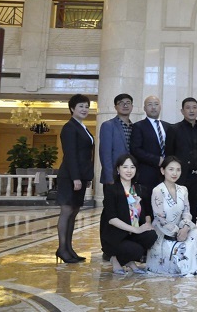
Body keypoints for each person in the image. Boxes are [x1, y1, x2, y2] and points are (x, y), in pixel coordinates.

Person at [146, 156, 197, 275]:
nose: (175, 173)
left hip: (182, 230)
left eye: (178, 170)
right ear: (163, 171)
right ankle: (185, 268)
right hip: (164, 232)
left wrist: (185, 228)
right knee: (185, 244)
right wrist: (178, 232)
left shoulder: (183, 190)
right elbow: (160, 218)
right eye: (171, 169)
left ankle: (189, 269)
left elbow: (187, 213)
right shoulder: (158, 190)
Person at [100, 154, 157, 274]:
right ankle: (115, 258)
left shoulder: (140, 189)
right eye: (125, 167)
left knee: (151, 235)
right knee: (136, 250)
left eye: (132, 167)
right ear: (118, 169)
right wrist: (135, 230)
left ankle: (128, 260)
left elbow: (147, 211)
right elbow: (111, 219)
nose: (129, 170)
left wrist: (147, 224)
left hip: (133, 232)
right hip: (115, 234)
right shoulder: (111, 189)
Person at [55, 94, 94, 264]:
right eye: (81, 106)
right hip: (70, 176)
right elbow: (70, 154)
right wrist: (76, 178)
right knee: (67, 211)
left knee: (74, 212)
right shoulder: (69, 127)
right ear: (72, 108)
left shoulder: (82, 127)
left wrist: (86, 177)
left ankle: (69, 249)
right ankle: (62, 249)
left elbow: (85, 155)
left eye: (87, 106)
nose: (85, 109)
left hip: (80, 176)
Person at [165, 97, 197, 221]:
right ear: (182, 111)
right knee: (177, 210)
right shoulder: (174, 129)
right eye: (188, 108)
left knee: (193, 211)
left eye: (194, 108)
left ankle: (191, 232)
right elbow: (169, 154)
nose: (191, 110)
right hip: (180, 176)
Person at [130, 96, 174, 190]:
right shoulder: (138, 126)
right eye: (150, 105)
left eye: (156, 104)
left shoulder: (168, 126)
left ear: (160, 107)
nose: (153, 107)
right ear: (144, 108)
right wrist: (157, 160)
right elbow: (135, 150)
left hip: (167, 173)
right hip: (147, 173)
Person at [99, 93, 134, 185]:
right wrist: (109, 177)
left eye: (128, 103)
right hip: (114, 176)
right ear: (115, 107)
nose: (125, 105)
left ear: (132, 106)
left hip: (131, 176)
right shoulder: (108, 125)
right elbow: (105, 154)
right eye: (121, 103)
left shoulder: (135, 127)